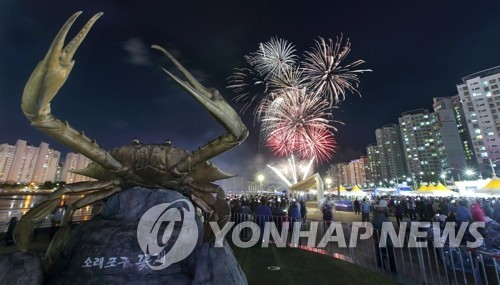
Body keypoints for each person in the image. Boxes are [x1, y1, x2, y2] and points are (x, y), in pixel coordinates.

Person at [372, 206, 397, 273]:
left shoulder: (375, 220)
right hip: (388, 240)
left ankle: (381, 268)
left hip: (379, 239)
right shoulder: (386, 219)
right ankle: (393, 270)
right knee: (390, 255)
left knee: (379, 254)